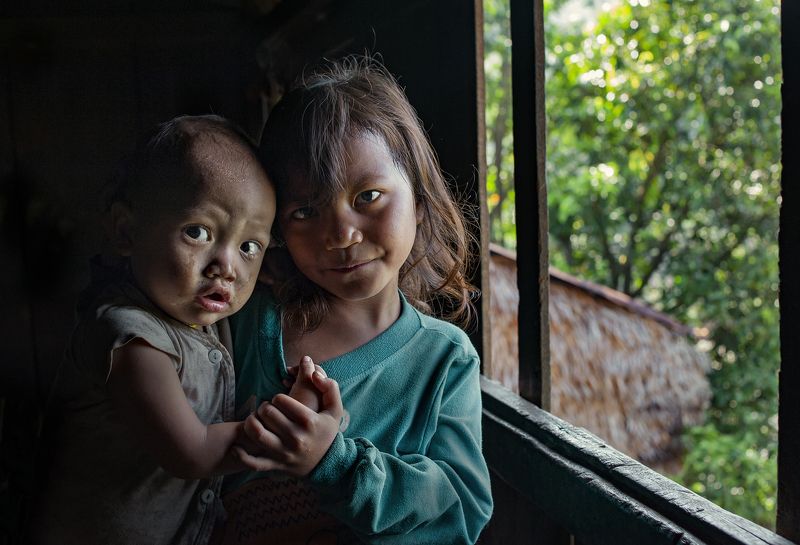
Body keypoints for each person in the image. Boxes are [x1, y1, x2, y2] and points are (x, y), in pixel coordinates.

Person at [219, 56, 494, 544]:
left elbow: (462, 511)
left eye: (367, 197)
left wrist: (336, 464)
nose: (341, 234)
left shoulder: (444, 359)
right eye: (305, 211)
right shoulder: (242, 318)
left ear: (419, 197)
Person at [32, 115, 337, 545]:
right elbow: (193, 451)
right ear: (126, 231)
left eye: (249, 246)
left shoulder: (194, 313)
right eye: (198, 232)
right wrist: (292, 428)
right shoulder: (129, 338)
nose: (226, 267)